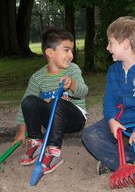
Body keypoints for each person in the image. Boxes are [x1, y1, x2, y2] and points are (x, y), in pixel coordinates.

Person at [82, 16, 135, 175]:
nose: (107, 48)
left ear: (126, 44)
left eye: (111, 43)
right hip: (120, 120)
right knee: (89, 135)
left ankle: (124, 161)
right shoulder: (113, 70)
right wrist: (111, 120)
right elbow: (108, 100)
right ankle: (122, 163)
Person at [12, 27, 88, 174]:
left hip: (75, 119)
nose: (71, 55)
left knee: (56, 101)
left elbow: (84, 91)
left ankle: (53, 152)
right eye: (66, 50)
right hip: (52, 121)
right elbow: (25, 107)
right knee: (28, 101)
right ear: (50, 52)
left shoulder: (73, 70)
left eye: (72, 50)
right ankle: (36, 142)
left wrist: (72, 84)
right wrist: (21, 131)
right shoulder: (38, 77)